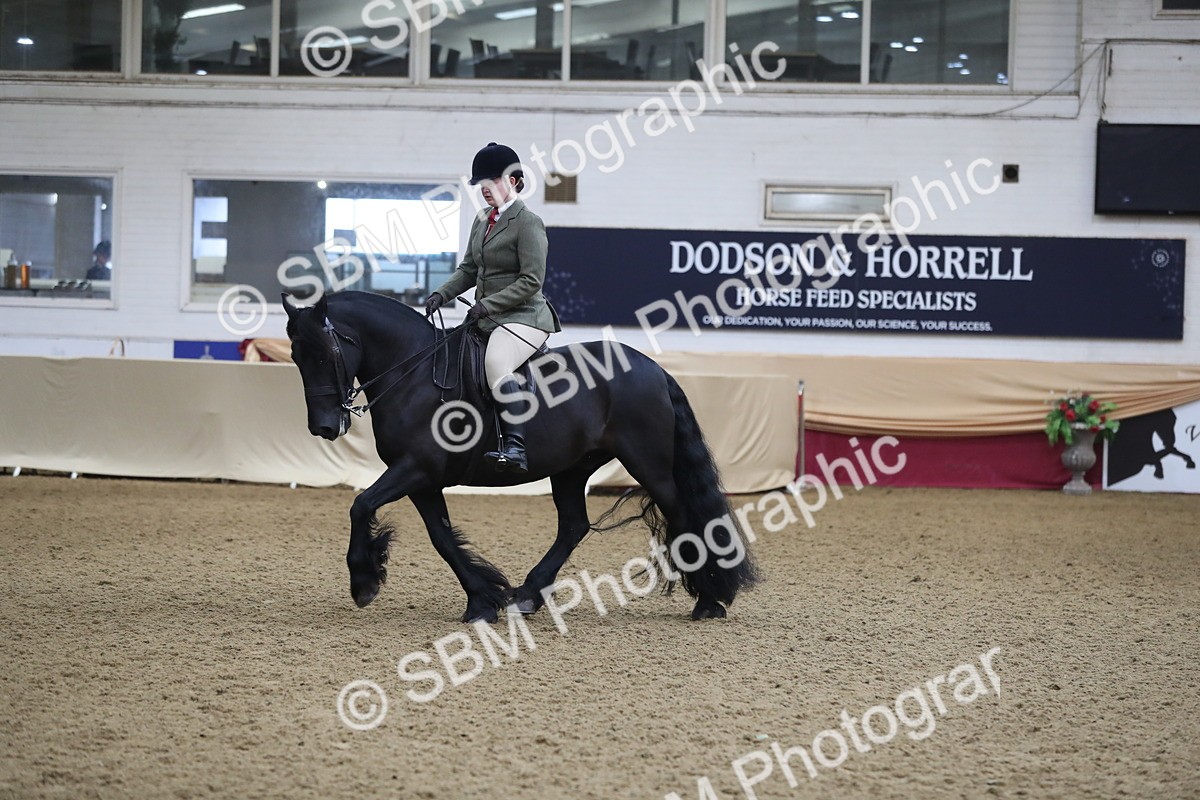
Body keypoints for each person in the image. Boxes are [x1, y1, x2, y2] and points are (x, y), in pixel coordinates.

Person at [425, 143, 561, 473]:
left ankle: (515, 447)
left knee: (497, 363)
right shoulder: (482, 220)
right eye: (481, 183)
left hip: (525, 316)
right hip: (490, 316)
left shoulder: (528, 222)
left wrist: (488, 304)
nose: (485, 189)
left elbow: (532, 281)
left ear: (513, 181)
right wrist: (441, 295)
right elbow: (469, 269)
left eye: (492, 181)